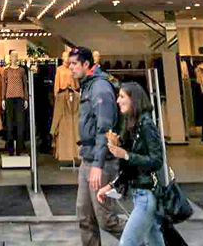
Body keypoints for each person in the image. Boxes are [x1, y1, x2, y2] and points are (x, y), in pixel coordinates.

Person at [96, 82, 165, 246]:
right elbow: (131, 167)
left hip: (146, 196)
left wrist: (126, 154)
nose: (117, 101)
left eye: (122, 97)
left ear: (133, 99)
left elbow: (156, 161)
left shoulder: (146, 124)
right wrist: (112, 185)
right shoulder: (133, 124)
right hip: (141, 194)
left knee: (127, 243)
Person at [69, 47, 125, 246]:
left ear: (86, 64)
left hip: (101, 161)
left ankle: (147, 241)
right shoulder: (87, 84)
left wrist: (98, 165)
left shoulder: (100, 87)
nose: (70, 68)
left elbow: (104, 128)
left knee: (106, 219)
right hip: (88, 157)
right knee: (84, 216)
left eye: (74, 64)